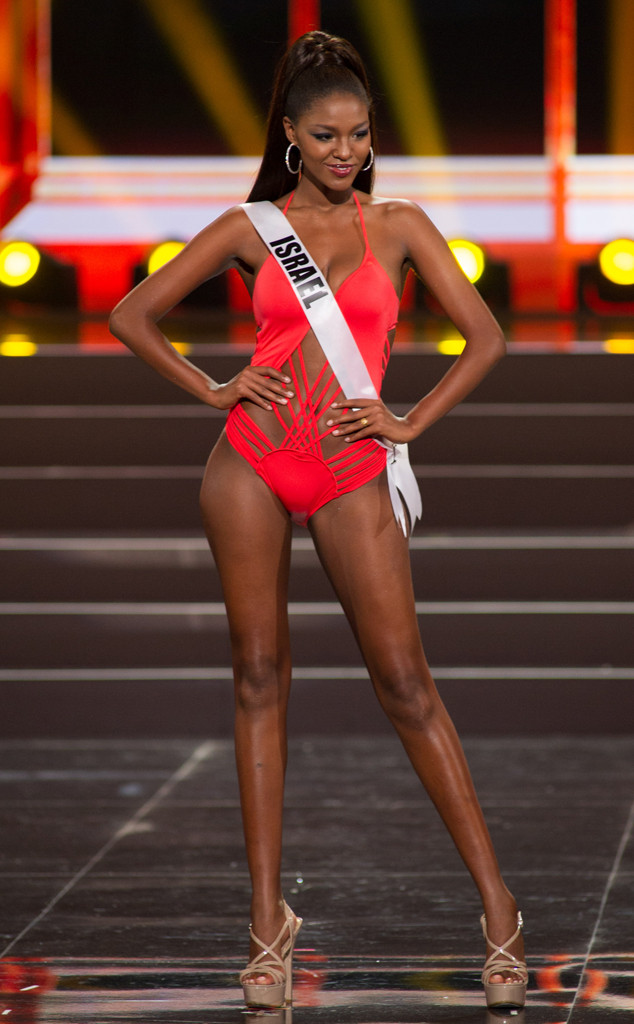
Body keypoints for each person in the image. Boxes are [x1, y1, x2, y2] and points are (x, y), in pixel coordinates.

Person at [109, 30, 528, 1012]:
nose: (348, 152)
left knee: (404, 682)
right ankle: (266, 927)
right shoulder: (253, 226)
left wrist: (410, 418)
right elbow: (135, 313)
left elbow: (487, 336)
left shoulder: (401, 225)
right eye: (328, 136)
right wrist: (212, 386)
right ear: (291, 137)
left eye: (361, 136)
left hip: (347, 464)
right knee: (258, 678)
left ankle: (499, 909)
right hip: (250, 460)